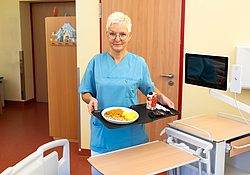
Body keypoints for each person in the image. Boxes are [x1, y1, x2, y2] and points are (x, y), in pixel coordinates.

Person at [78, 12, 174, 175]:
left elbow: (149, 88)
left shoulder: (138, 63)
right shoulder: (96, 62)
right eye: (113, 34)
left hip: (132, 135)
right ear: (107, 34)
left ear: (129, 36)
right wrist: (91, 99)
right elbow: (85, 92)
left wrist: (162, 97)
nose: (117, 39)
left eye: (122, 34)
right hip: (104, 134)